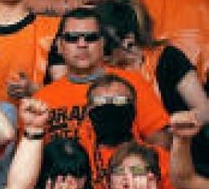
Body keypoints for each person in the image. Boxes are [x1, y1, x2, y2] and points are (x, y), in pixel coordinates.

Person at [34, 7, 169, 142]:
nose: (82, 44)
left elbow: (161, 143)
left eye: (91, 37)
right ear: (59, 46)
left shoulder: (132, 82)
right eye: (72, 38)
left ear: (102, 43)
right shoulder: (42, 99)